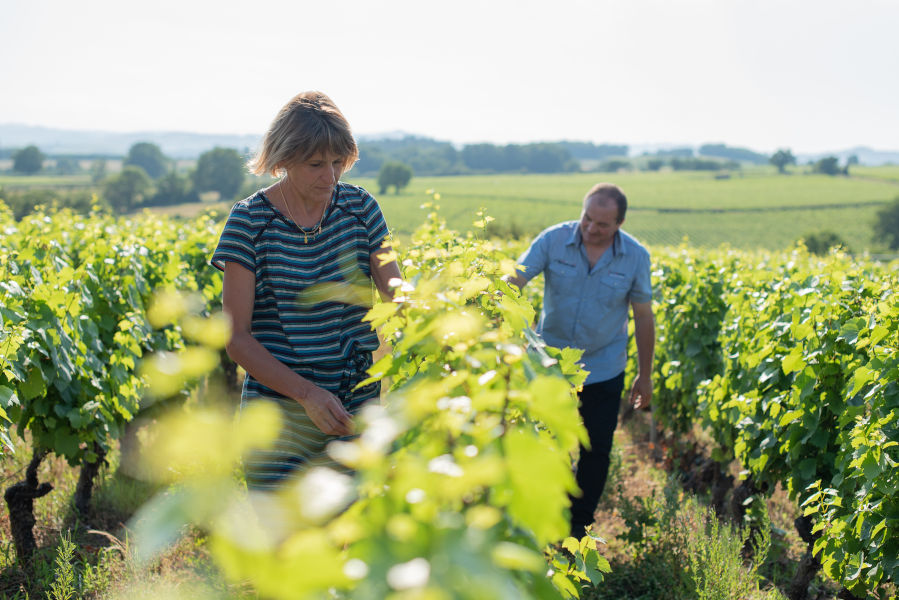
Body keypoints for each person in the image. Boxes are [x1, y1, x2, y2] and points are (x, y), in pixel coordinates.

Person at [211, 91, 401, 491]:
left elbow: (396, 292)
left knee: (344, 535)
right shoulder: (250, 222)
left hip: (354, 403)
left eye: (338, 163)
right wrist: (307, 395)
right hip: (277, 407)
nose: (330, 177)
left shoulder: (361, 208)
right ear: (282, 160)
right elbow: (236, 338)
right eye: (316, 164)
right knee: (281, 539)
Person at [506, 182, 655, 538]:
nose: (590, 228)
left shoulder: (635, 256)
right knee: (547, 442)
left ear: (619, 223)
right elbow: (515, 280)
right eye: (587, 218)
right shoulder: (553, 240)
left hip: (603, 370)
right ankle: (549, 515)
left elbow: (644, 316)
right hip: (549, 365)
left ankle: (578, 527)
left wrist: (645, 375)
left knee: (596, 449)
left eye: (602, 224)